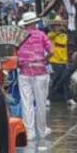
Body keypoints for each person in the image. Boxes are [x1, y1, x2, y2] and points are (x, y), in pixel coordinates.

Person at [16, 12, 54, 141]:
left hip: (24, 72)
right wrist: (45, 60)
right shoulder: (41, 35)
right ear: (35, 23)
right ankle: (42, 130)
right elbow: (51, 51)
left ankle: (29, 132)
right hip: (40, 71)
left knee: (26, 103)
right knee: (41, 102)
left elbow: (13, 52)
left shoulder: (19, 36)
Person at [48, 19, 71, 103]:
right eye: (57, 26)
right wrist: (58, 31)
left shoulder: (64, 36)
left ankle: (68, 98)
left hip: (64, 61)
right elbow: (50, 36)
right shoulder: (51, 35)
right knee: (54, 79)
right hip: (54, 61)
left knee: (66, 80)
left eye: (59, 25)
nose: (58, 27)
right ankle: (48, 98)